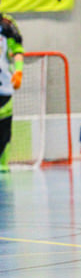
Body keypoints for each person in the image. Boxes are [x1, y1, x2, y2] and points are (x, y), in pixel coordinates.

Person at [0, 14, 24, 173]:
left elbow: (17, 49)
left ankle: (3, 164)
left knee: (4, 130)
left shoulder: (7, 24)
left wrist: (19, 71)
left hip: (4, 87)